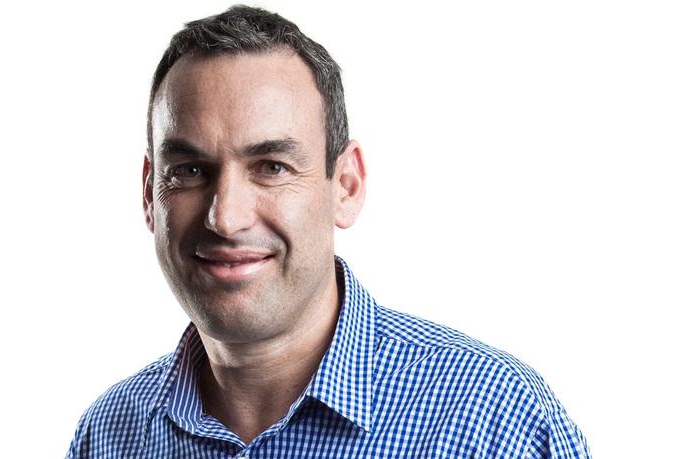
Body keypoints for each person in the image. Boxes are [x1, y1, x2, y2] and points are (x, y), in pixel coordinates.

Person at [67, 5, 590, 458]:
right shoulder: (108, 437)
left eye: (271, 167)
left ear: (345, 185)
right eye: (190, 171)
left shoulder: (497, 422)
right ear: (149, 193)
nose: (226, 218)